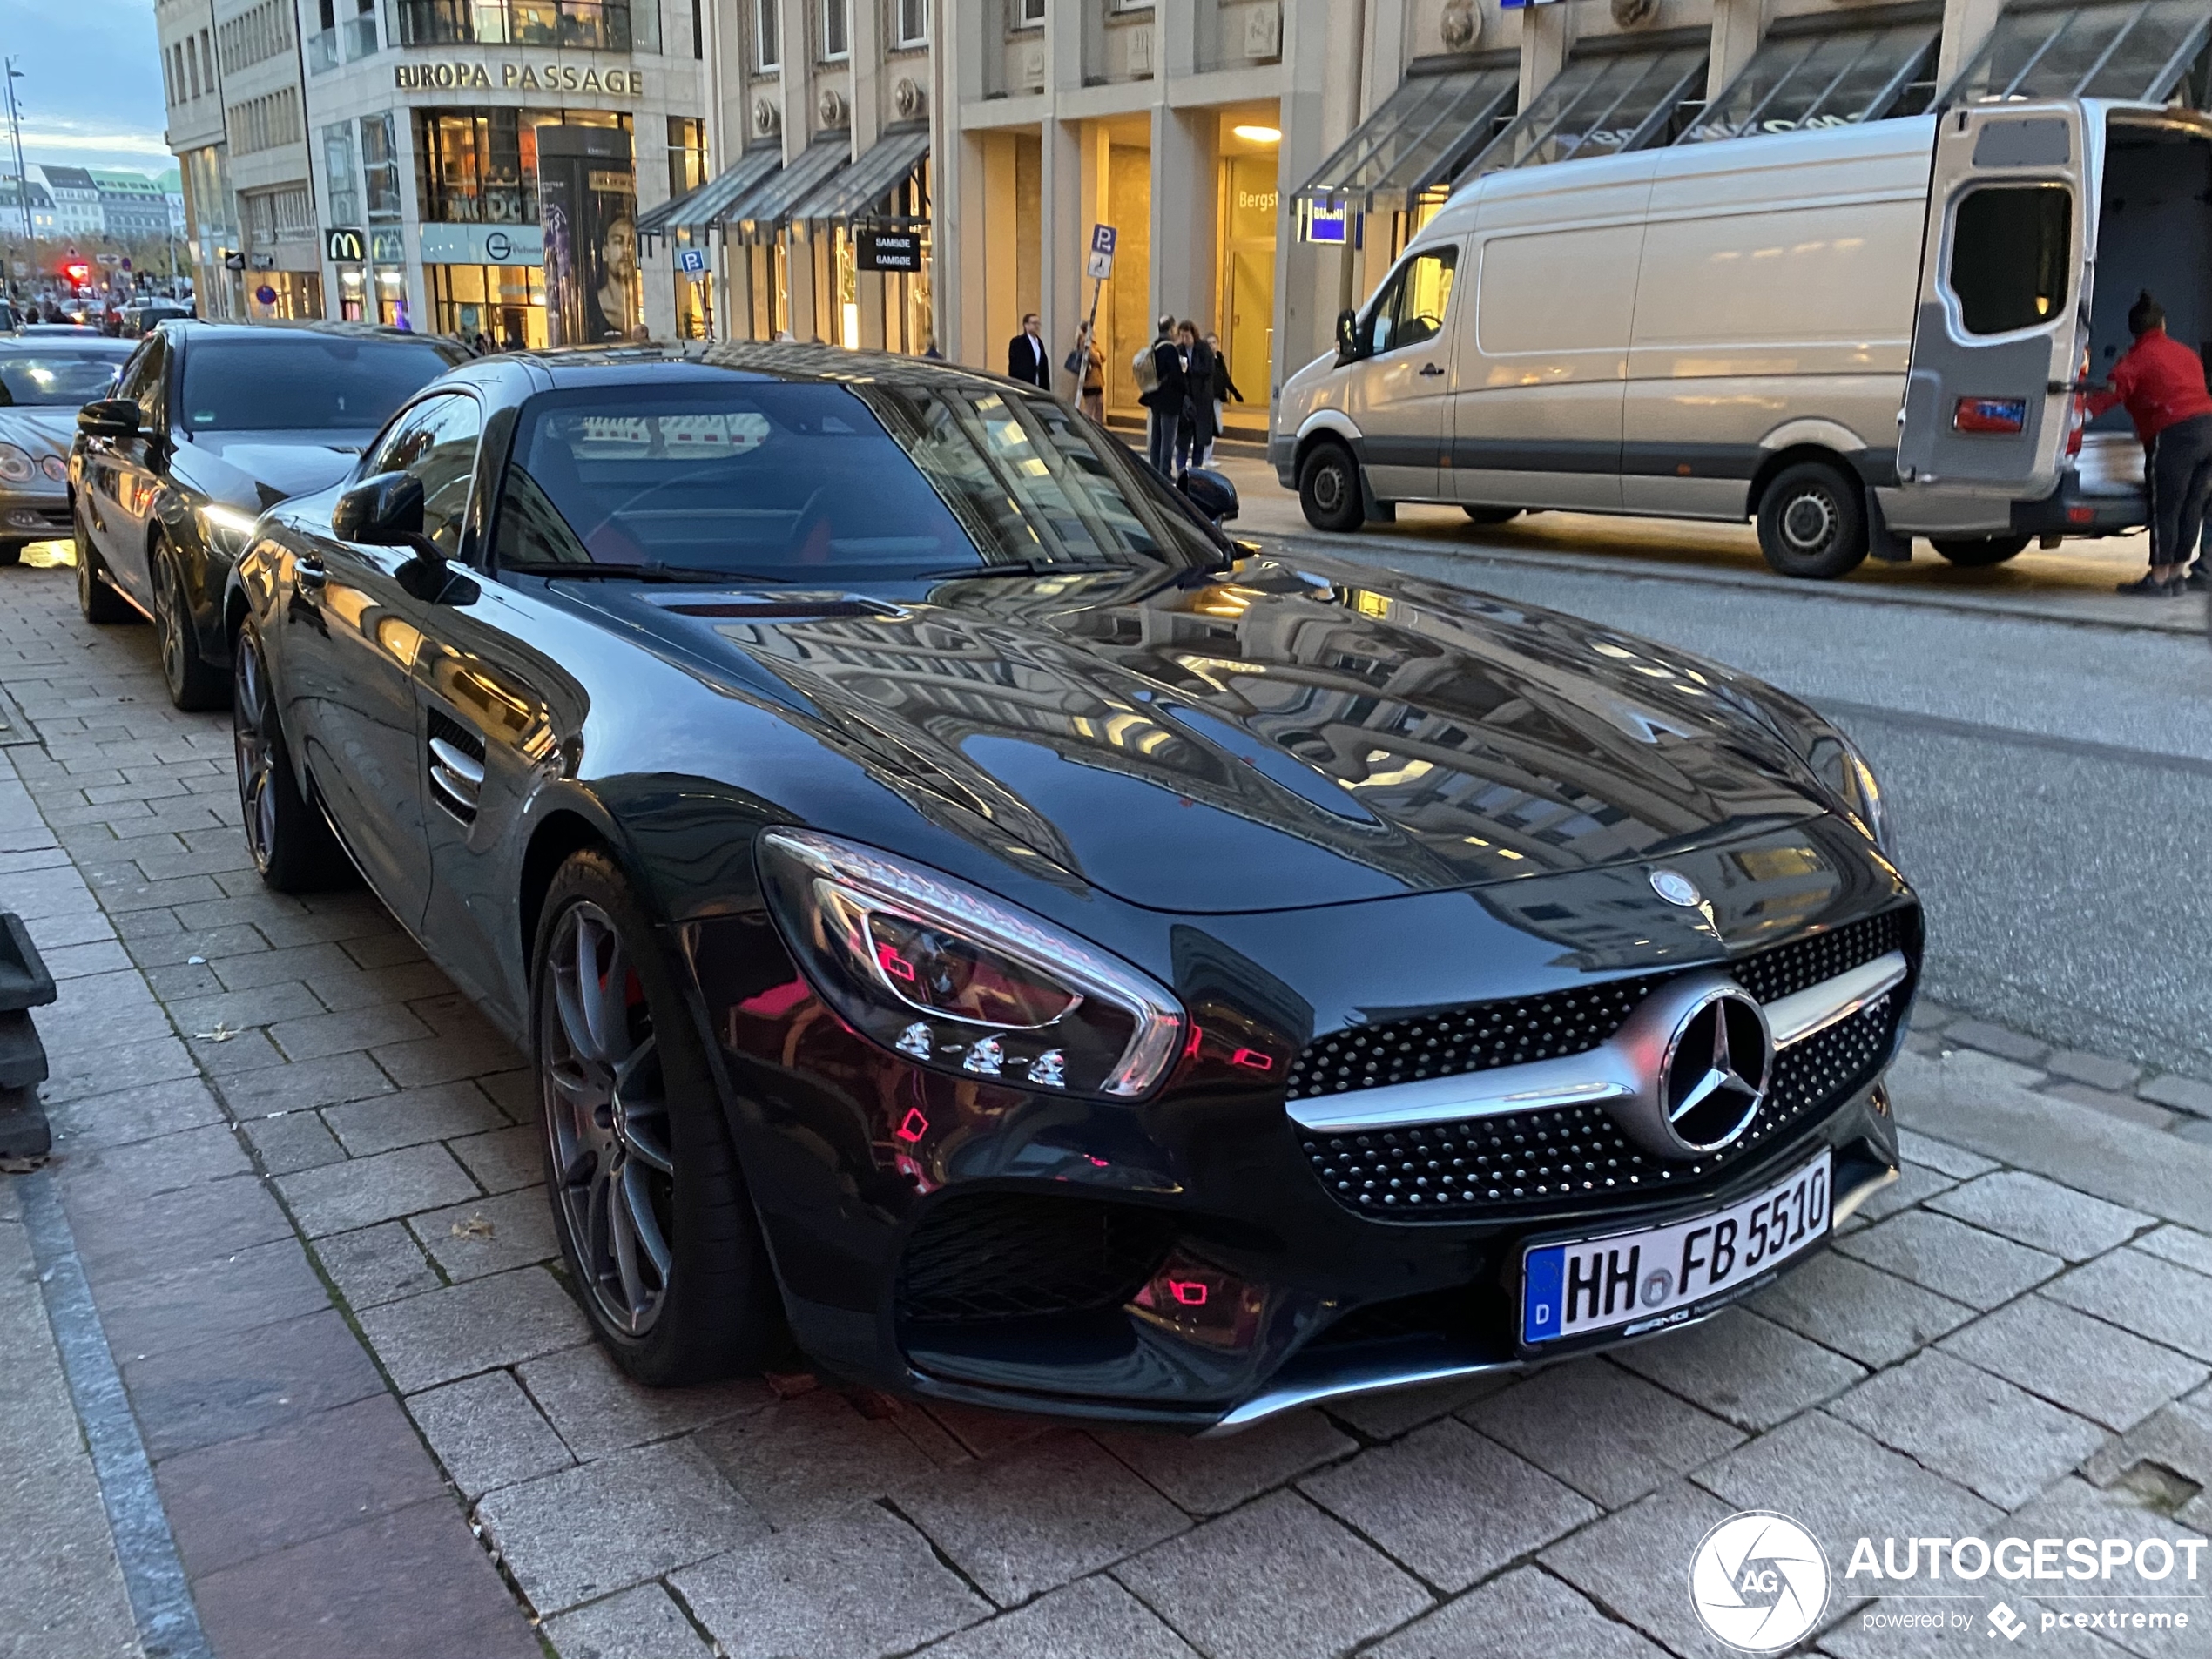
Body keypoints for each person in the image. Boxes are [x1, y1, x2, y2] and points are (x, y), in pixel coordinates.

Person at [2087, 291, 2212, 595]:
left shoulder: (2134, 361)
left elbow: (2106, 397)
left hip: (2174, 436)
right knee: (2192, 504)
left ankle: (2158, 579)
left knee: (2165, 507)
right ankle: (2177, 575)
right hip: (2208, 431)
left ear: (2134, 330)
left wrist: (2077, 415)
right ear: (2163, 325)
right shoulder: (2187, 354)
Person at [1139, 314, 1187, 476]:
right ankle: (1164, 471)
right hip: (1170, 401)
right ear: (1172, 329)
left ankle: (1154, 469)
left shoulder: (1155, 346)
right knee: (1168, 438)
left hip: (1156, 399)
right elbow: (1176, 376)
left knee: (1156, 437)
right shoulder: (1170, 349)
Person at [591, 213, 644, 342]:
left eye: (631, 242)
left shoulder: (642, 306)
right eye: (618, 242)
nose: (627, 249)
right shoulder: (592, 308)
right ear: (605, 253)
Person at [1177, 322, 1215, 474]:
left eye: (1187, 336)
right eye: (1182, 336)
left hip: (1201, 401)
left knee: (1199, 440)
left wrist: (1191, 371)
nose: (1184, 339)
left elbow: (1208, 369)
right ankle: (1181, 472)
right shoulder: (1179, 350)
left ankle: (1196, 473)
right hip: (1186, 402)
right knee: (1183, 442)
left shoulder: (1203, 349)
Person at [1204, 332, 1243, 466]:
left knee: (1218, 427)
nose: (1212, 346)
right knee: (1212, 427)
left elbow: (1225, 378)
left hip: (1218, 398)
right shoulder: (1206, 360)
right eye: (1209, 343)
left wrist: (1235, 393)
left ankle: (1208, 454)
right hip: (1208, 398)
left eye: (1214, 343)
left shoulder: (1219, 359)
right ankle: (1206, 456)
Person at [1006, 312, 1050, 388]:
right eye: (1034, 323)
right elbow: (1015, 365)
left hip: (1039, 384)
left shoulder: (1039, 342)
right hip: (1024, 384)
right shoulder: (1018, 342)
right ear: (1026, 325)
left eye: (1038, 323)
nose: (1037, 326)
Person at [1074, 320, 1105, 421]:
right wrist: (1097, 357)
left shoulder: (1092, 342)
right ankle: (1087, 428)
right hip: (1090, 380)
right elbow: (1095, 358)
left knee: (1100, 404)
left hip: (1097, 380)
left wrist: (1098, 356)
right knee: (1090, 407)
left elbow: (1102, 357)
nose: (1095, 331)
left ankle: (1099, 429)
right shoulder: (1084, 342)